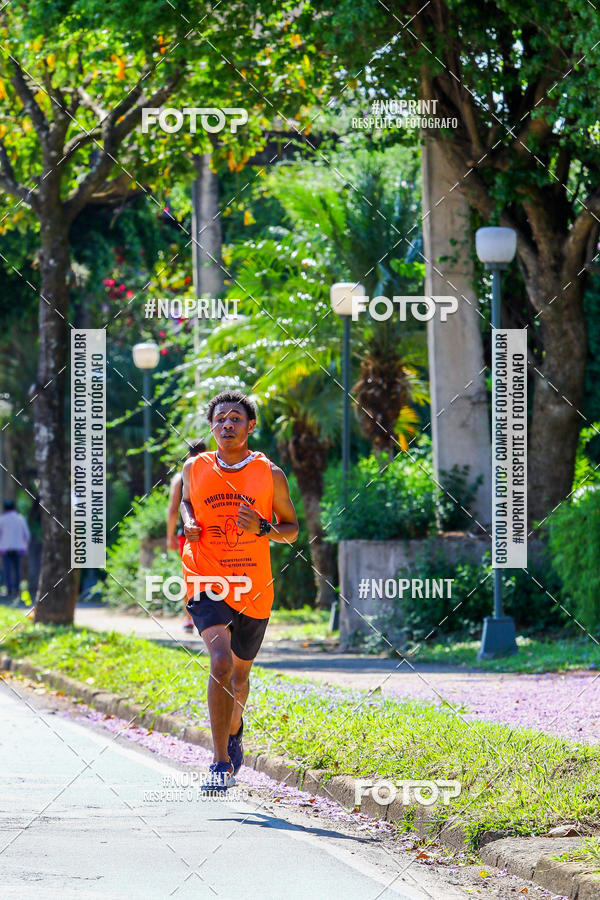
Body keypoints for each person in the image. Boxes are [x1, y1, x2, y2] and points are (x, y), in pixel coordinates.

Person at [181, 390, 298, 791]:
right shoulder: (194, 467)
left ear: (251, 426)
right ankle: (218, 763)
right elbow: (185, 502)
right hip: (206, 578)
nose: (226, 425)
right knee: (220, 663)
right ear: (211, 427)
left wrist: (262, 528)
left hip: (252, 584)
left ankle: (235, 732)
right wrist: (188, 522)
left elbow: (291, 529)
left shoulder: (271, 474)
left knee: (240, 677)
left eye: (235, 419)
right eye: (219, 419)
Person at [166, 438, 206, 631]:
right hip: (211, 533)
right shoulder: (214, 472)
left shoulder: (179, 477)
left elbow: (173, 509)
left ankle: (189, 617)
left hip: (187, 534)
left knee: (188, 575)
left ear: (188, 454)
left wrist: (170, 536)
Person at [0, 500, 30, 601]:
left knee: (7, 571)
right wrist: (25, 547)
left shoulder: (2, 519)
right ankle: (17, 592)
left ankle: (9, 592)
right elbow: (27, 535)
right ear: (14, 507)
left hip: (5, 549)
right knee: (17, 571)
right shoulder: (20, 518)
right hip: (19, 549)